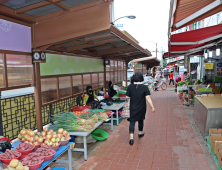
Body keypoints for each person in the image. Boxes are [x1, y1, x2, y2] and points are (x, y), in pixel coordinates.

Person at [126, 72, 155, 145]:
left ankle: (131, 139)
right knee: (140, 120)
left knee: (132, 122)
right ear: (141, 78)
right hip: (141, 107)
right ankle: (140, 133)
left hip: (133, 107)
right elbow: (148, 97)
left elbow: (127, 97)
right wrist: (152, 107)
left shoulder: (130, 86)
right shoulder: (145, 87)